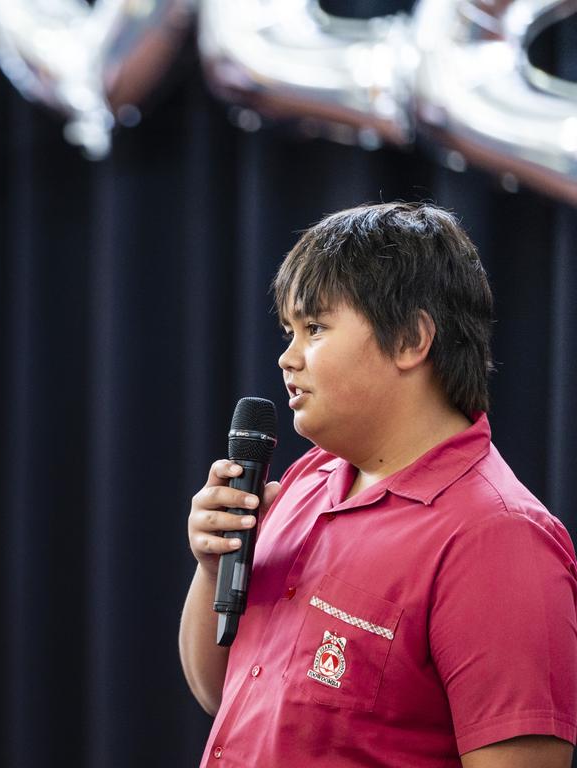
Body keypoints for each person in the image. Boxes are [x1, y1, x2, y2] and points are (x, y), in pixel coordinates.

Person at [179, 202, 577, 768]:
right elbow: (222, 696)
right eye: (289, 331)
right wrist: (214, 567)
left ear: (412, 340)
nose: (286, 357)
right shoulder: (304, 481)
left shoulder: (498, 538)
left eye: (314, 328)